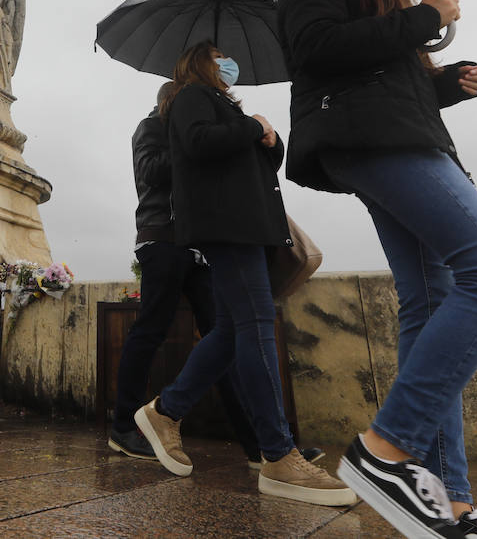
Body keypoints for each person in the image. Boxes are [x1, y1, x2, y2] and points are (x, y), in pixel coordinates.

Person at [277, 0, 477, 539]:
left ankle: (451, 503)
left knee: (430, 297)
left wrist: (446, 84)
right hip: (371, 144)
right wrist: (423, 18)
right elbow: (318, 52)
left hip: (394, 134)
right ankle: (386, 450)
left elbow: (390, 84)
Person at [134, 43, 355, 508]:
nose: (226, 63)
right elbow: (196, 144)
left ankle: (166, 411)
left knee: (235, 329)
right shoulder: (191, 95)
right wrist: (251, 126)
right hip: (226, 225)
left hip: (246, 224)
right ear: (199, 62)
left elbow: (252, 165)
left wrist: (269, 141)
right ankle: (277, 454)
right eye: (217, 56)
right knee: (254, 326)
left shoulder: (223, 106)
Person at [111, 82, 319, 470]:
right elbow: (152, 171)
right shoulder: (151, 127)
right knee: (150, 331)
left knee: (227, 335)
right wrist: (191, 146)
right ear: (168, 102)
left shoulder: (203, 128)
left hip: (201, 244)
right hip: (162, 239)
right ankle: (123, 427)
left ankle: (258, 443)